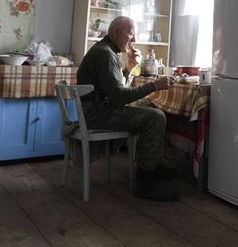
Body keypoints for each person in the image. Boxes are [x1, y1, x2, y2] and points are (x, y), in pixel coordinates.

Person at [77, 16, 179, 202]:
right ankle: (146, 181)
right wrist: (155, 85)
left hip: (98, 110)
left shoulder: (105, 50)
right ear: (116, 32)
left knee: (150, 107)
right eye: (131, 35)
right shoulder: (105, 54)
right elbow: (118, 97)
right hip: (97, 115)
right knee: (155, 117)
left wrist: (130, 69)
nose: (134, 41)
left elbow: (115, 88)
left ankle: (152, 165)